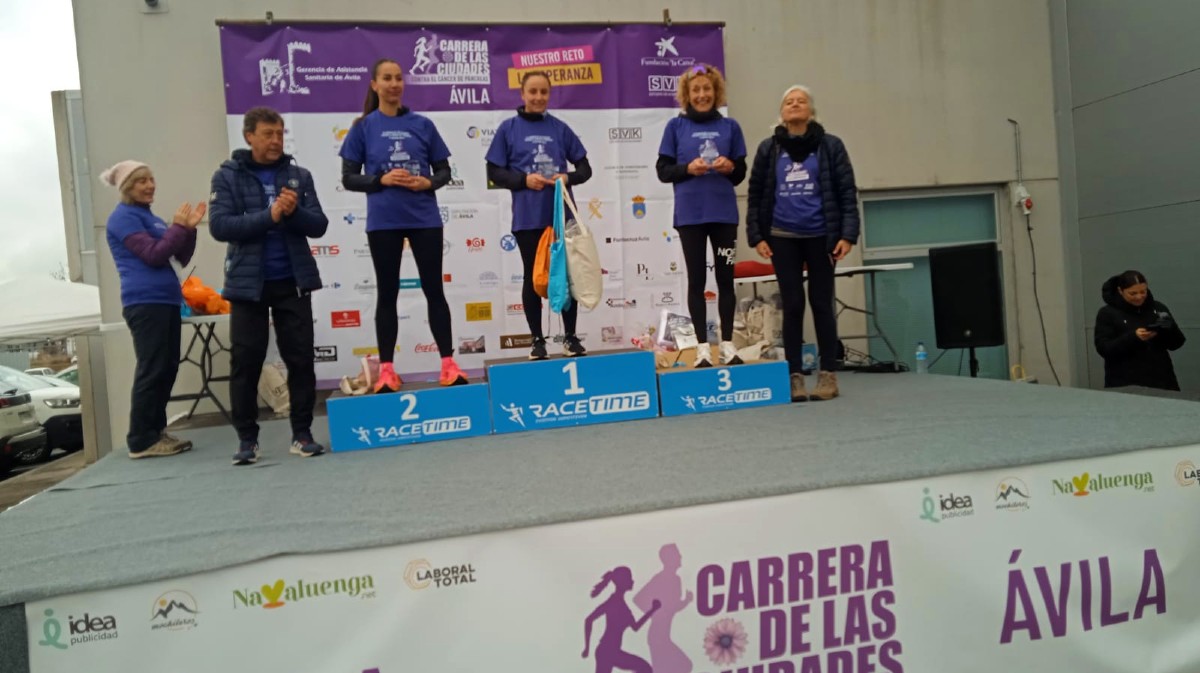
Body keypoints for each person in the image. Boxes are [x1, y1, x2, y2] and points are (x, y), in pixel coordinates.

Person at [340, 58, 469, 392]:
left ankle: (448, 363)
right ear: (374, 85)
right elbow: (349, 178)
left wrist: (427, 183)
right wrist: (381, 179)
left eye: (398, 78)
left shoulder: (422, 124)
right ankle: (386, 370)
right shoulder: (363, 127)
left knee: (434, 290)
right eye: (387, 78)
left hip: (424, 218)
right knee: (388, 293)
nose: (394, 84)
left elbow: (444, 172)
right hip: (384, 221)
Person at [209, 107, 329, 466]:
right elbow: (220, 227)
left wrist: (292, 213)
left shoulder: (298, 175)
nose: (276, 140)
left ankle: (302, 434)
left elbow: (319, 225)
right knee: (246, 363)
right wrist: (271, 215)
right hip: (248, 286)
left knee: (301, 359)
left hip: (293, 281)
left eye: (279, 134)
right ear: (249, 136)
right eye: (267, 134)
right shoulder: (226, 176)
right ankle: (248, 440)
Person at [747, 85, 860, 402]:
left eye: (801, 101)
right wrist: (757, 236)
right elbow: (756, 195)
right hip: (783, 238)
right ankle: (794, 376)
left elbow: (847, 191)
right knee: (792, 305)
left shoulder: (831, 146)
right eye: (788, 102)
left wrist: (847, 235)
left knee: (822, 304)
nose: (795, 105)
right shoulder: (769, 150)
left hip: (822, 236)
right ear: (781, 113)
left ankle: (828, 375)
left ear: (811, 110)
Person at [486, 70, 592, 359]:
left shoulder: (559, 128)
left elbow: (585, 169)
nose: (538, 97)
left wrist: (567, 178)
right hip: (528, 217)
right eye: (532, 92)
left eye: (543, 92)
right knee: (534, 278)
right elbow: (493, 172)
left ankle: (570, 338)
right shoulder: (508, 128)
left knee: (567, 276)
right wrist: (523, 181)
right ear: (522, 94)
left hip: (560, 215)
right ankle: (537, 341)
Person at [101, 160, 200, 459]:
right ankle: (140, 439)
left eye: (151, 179)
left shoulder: (151, 218)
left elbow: (179, 255)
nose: (150, 185)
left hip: (167, 300)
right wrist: (177, 228)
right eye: (141, 181)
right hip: (144, 302)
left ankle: (155, 433)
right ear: (126, 188)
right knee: (152, 368)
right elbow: (155, 255)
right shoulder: (122, 218)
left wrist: (189, 230)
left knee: (167, 367)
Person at [657, 65, 748, 368]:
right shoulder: (675, 128)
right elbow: (663, 170)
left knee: (725, 279)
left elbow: (740, 174)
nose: (702, 94)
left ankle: (728, 345)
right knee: (696, 281)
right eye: (695, 90)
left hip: (724, 214)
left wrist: (729, 167)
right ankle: (701, 349)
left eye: (707, 89)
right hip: (690, 216)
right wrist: (687, 169)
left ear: (716, 92)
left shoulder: (730, 127)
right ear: (687, 94)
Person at [1094, 270, 1185, 390]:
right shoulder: (1107, 313)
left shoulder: (1158, 308)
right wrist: (1134, 337)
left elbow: (1177, 343)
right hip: (1124, 380)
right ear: (1121, 291)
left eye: (1143, 291)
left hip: (1162, 378)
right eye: (1132, 293)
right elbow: (1104, 348)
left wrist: (1169, 327)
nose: (1139, 297)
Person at [582, 566, 660, 673]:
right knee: (645, 668)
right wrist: (587, 648)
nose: (632, 581)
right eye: (629, 578)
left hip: (612, 652)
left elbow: (635, 627)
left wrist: (652, 610)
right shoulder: (613, 602)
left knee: (645, 668)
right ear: (623, 582)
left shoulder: (623, 606)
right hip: (606, 651)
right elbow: (589, 620)